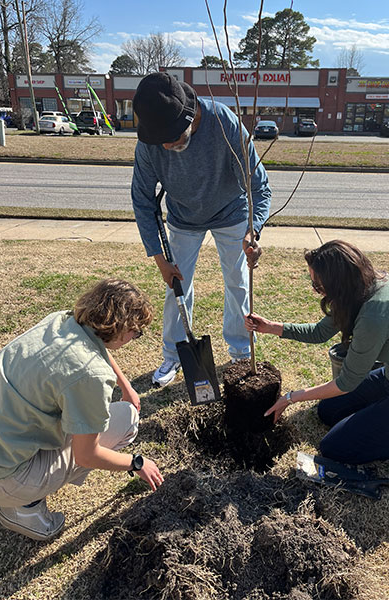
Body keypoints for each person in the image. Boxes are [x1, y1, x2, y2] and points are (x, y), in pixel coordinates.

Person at [0, 279, 164, 541]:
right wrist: (137, 463)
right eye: (135, 332)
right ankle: (23, 509)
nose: (134, 338)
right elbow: (86, 455)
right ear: (119, 328)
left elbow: (98, 346)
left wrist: (125, 385)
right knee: (126, 420)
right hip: (2, 477)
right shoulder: (90, 374)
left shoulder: (60, 320)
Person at [131, 72, 271, 387]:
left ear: (190, 117)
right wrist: (160, 259)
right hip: (182, 217)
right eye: (160, 139)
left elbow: (259, 187)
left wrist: (253, 230)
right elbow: (143, 202)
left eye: (171, 136)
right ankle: (174, 354)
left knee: (238, 283)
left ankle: (238, 351)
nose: (165, 145)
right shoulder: (151, 141)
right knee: (177, 287)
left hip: (231, 212)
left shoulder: (224, 123)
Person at [245, 240, 389, 465]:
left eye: (318, 286)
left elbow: (347, 383)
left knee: (334, 447)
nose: (315, 291)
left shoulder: (374, 315)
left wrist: (290, 398)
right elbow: (319, 332)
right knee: (328, 411)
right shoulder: (360, 288)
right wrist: (270, 327)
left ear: (338, 283)